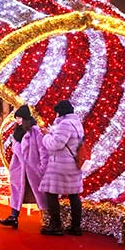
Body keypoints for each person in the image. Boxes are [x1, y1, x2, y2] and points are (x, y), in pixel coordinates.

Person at [39, 100, 84, 236]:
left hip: (61, 165)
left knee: (50, 192)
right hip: (74, 164)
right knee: (73, 194)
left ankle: (56, 226)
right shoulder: (76, 123)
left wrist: (46, 136)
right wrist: (51, 132)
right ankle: (76, 227)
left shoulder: (64, 124)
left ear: (60, 112)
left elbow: (56, 144)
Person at [0, 105, 48, 229]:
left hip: (33, 168)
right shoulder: (17, 132)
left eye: (19, 118)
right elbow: (16, 151)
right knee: (17, 191)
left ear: (25, 118)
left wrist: (42, 167)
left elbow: (43, 150)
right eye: (16, 118)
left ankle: (47, 219)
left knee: (40, 194)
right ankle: (13, 216)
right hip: (19, 168)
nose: (17, 120)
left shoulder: (35, 131)